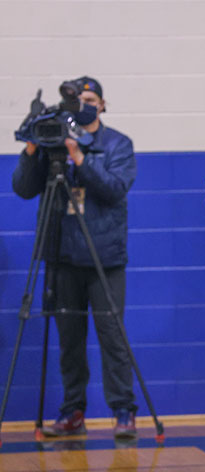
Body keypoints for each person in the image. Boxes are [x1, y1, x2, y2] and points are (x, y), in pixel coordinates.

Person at [12, 76, 140, 438]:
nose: (83, 104)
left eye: (89, 98)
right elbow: (22, 188)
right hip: (61, 256)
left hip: (104, 259)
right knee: (69, 340)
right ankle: (73, 411)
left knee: (112, 336)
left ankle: (123, 412)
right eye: (78, 99)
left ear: (101, 103)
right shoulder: (52, 140)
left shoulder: (118, 144)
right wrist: (34, 147)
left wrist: (78, 156)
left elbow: (114, 189)